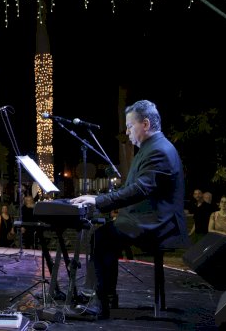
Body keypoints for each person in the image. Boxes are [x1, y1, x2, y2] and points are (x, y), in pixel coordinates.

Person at [72, 100, 187, 320]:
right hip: (150, 217)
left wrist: (99, 201)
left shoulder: (159, 151)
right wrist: (99, 199)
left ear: (145, 124)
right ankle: (105, 296)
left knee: (102, 238)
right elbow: (134, 189)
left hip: (159, 224)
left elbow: (139, 190)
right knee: (105, 234)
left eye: (129, 126)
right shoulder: (152, 148)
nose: (127, 131)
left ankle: (98, 303)